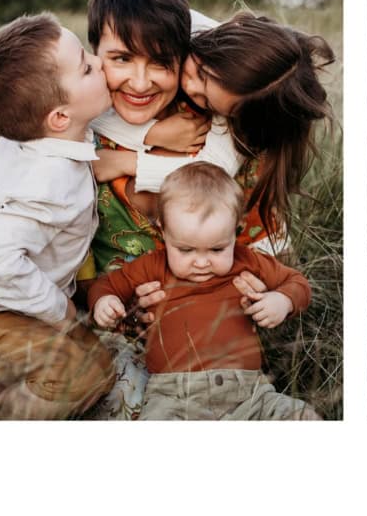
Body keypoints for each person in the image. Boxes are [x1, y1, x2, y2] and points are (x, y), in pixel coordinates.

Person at [88, 162, 318, 419]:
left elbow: (298, 283)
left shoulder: (248, 261)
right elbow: (106, 285)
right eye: (185, 250)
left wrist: (282, 300)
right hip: (172, 396)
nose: (201, 262)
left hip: (250, 393)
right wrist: (105, 301)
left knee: (302, 417)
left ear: (236, 230)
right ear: (163, 230)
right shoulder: (153, 266)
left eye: (217, 249)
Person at [0, 13, 116, 419]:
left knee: (102, 366)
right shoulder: (49, 180)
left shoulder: (32, 138)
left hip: (10, 306)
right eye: (88, 67)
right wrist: (59, 309)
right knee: (80, 377)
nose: (101, 62)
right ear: (59, 117)